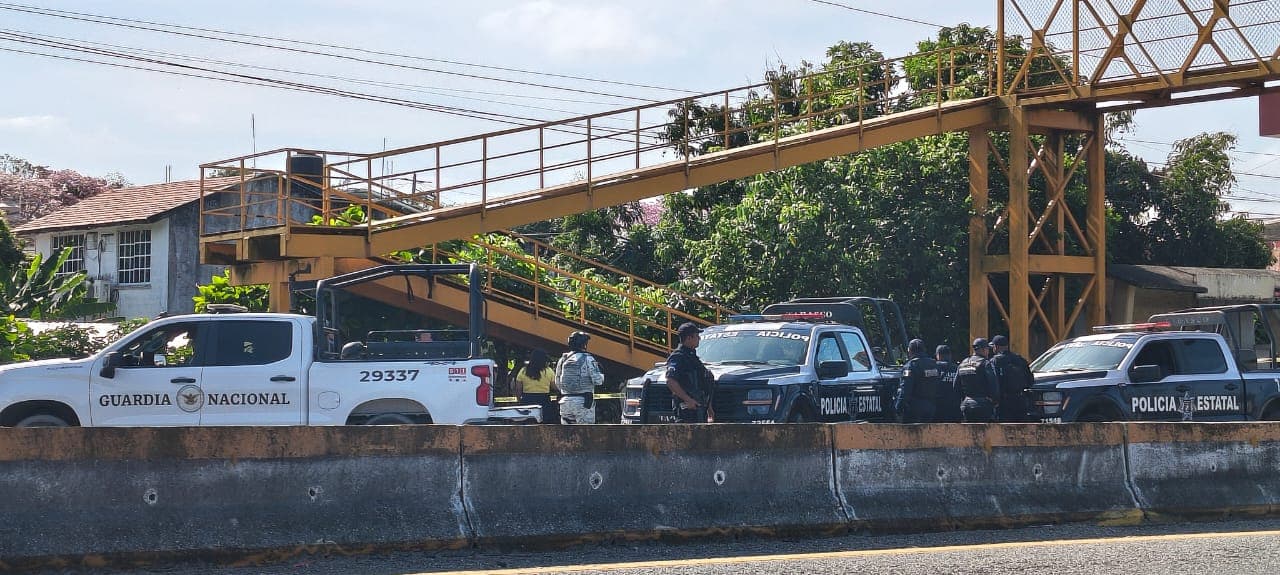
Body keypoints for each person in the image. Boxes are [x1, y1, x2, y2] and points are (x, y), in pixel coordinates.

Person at [666, 322, 715, 423]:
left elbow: (704, 383)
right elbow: (670, 381)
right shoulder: (678, 357)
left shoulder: (693, 357)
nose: (699, 339)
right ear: (689, 338)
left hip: (699, 409)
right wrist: (688, 399)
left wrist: (709, 408)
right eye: (697, 336)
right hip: (686, 411)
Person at [555, 331, 604, 424]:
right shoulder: (588, 359)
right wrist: (601, 373)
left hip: (565, 402)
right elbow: (598, 381)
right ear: (584, 344)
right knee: (585, 435)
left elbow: (558, 382)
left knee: (568, 435)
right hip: (583, 403)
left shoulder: (563, 359)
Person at [894, 339, 941, 423]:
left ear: (910, 351)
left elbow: (905, 389)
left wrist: (898, 408)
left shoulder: (911, 366)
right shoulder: (934, 364)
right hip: (931, 407)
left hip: (914, 409)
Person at [989, 335, 1034, 422]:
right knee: (1021, 430)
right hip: (1021, 400)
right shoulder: (1020, 359)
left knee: (1004, 430)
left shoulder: (995, 361)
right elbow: (1030, 380)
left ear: (996, 347)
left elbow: (993, 382)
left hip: (1003, 402)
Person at [956, 338, 999, 423]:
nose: (988, 352)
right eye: (987, 349)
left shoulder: (963, 363)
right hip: (983, 405)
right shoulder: (985, 363)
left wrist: (964, 400)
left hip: (966, 405)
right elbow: (993, 384)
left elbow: (956, 386)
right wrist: (994, 401)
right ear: (983, 349)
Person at [512, 349, 558, 424]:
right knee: (545, 423)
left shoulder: (523, 371)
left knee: (528, 423)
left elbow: (518, 388)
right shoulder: (549, 371)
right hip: (544, 401)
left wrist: (519, 400)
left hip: (527, 400)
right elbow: (554, 387)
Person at [933, 344, 962, 423]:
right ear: (950, 355)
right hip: (955, 407)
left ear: (938, 355)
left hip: (937, 407)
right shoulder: (957, 368)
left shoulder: (934, 367)